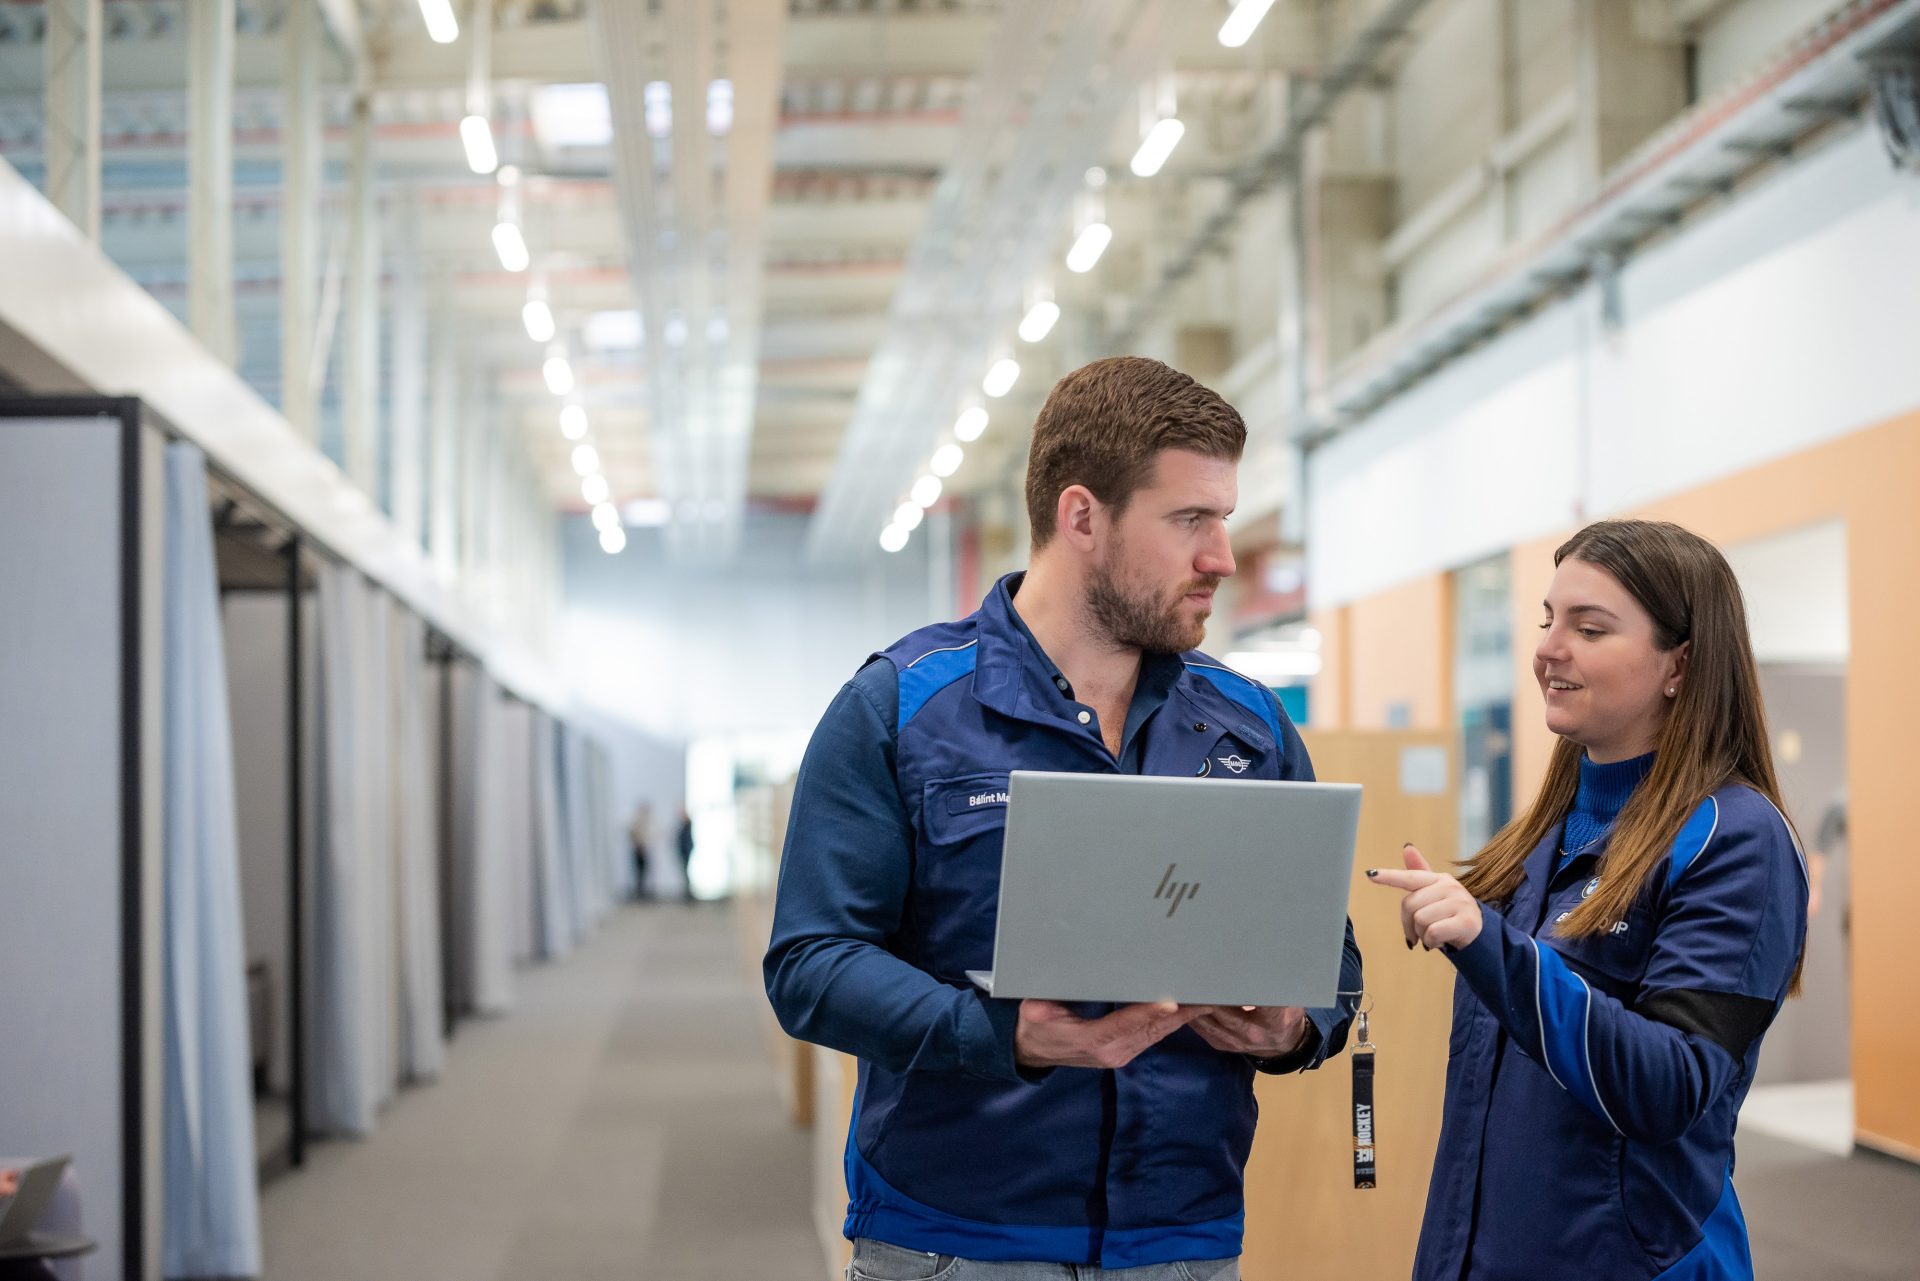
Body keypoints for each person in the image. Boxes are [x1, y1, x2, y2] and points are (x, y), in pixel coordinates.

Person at [765, 356, 1363, 1279]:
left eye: (1224, 520)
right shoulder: (901, 708)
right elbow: (812, 964)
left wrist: (1297, 1027)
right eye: (1190, 520)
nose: (1223, 558)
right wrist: (1001, 1034)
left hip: (1186, 1241)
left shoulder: (1249, 727)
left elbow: (1330, 954)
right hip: (956, 1241)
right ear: (1082, 516)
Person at [1369, 519, 1808, 1281]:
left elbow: (1670, 1085)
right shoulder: (1538, 842)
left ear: (1681, 664)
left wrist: (1492, 947)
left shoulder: (1735, 837)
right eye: (1547, 620)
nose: (1548, 648)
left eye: (1589, 626)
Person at [628, 803, 653, 902]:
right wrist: (639, 845)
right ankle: (640, 894)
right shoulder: (637, 821)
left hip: (643, 850)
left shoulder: (643, 821)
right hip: (639, 850)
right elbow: (634, 834)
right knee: (640, 874)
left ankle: (642, 893)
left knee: (643, 873)